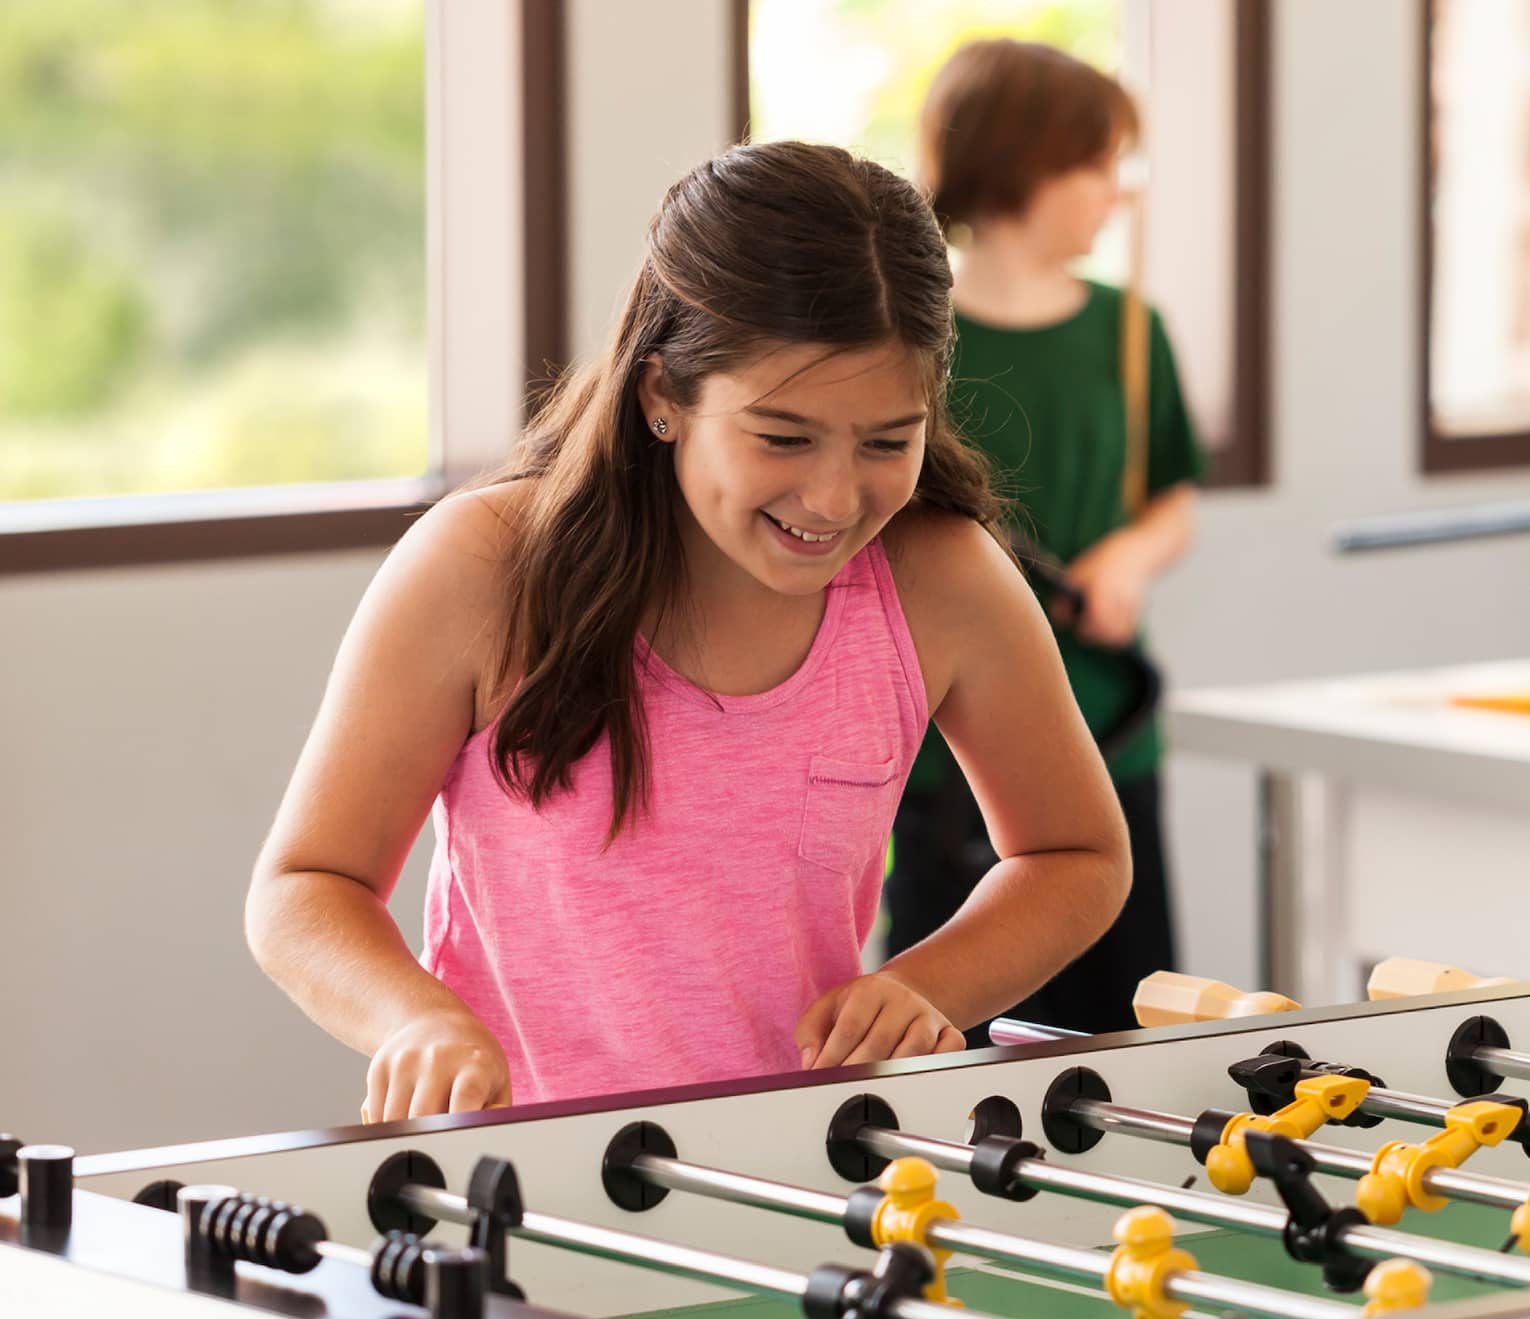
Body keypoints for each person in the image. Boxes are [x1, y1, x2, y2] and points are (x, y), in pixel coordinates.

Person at [244, 140, 1131, 1123]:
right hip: (520, 1177)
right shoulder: (482, 568)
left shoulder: (943, 579)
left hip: (808, 1175)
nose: (835, 497)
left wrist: (928, 987)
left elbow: (1077, 854)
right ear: (664, 395)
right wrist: (416, 1020)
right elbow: (305, 885)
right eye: (782, 437)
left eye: (888, 441)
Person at [886, 41, 1203, 1037]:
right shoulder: (907, 336)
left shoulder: (1129, 330)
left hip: (1107, 730)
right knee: (939, 1050)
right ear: (1029, 163)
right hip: (943, 755)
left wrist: (1130, 559)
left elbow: (1172, 496)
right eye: (1099, 164)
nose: (1117, 193)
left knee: (1127, 1032)